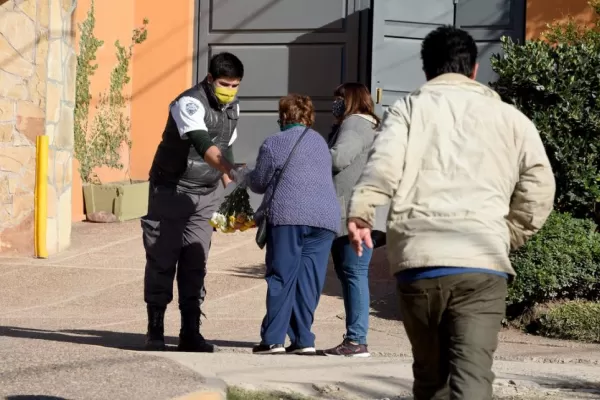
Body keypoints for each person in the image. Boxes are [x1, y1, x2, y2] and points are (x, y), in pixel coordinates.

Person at [346, 26, 556, 399]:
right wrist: (509, 233)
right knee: (472, 380)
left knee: (431, 382)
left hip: (419, 263)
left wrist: (362, 212)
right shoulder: (510, 118)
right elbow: (540, 185)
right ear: (474, 69)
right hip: (482, 263)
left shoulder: (408, 109)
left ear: (426, 71)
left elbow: (383, 164)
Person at [142, 52, 244, 352]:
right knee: (162, 259)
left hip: (206, 194)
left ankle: (190, 332)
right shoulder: (188, 102)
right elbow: (202, 143)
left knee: (195, 262)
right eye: (225, 84)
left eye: (236, 85)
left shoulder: (232, 108)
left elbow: (227, 147)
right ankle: (156, 330)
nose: (230, 90)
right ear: (210, 79)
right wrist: (228, 168)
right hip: (172, 190)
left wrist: (234, 193)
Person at [241, 94, 341, 355]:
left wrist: (242, 174)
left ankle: (273, 340)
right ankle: (303, 340)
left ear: (284, 115)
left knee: (281, 277)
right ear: (308, 115)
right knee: (309, 281)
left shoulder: (274, 142)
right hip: (325, 219)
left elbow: (259, 182)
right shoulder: (320, 142)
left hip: (289, 216)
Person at [323, 83, 382, 358]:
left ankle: (356, 341)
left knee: (355, 274)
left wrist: (309, 156)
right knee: (352, 274)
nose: (335, 103)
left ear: (350, 100)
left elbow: (339, 158)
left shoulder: (355, 125)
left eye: (338, 98)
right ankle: (355, 339)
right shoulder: (366, 125)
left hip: (352, 212)